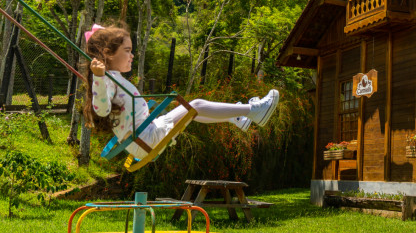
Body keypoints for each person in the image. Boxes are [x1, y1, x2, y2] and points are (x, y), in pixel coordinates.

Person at [82, 23, 278, 160]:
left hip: (145, 136)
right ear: (108, 53)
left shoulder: (113, 77)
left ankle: (236, 117)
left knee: (191, 112)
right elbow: (101, 110)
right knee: (195, 105)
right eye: (127, 50)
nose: (132, 55)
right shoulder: (106, 79)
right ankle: (253, 110)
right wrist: (98, 77)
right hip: (145, 139)